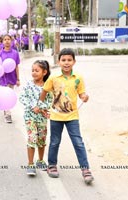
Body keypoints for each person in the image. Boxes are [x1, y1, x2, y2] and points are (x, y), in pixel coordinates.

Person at [37, 48, 94, 185]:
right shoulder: (53, 78)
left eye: (69, 60)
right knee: (55, 141)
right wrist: (41, 105)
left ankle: (85, 170)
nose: (66, 63)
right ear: (59, 61)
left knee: (78, 143)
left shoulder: (78, 78)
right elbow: (44, 91)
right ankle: (52, 165)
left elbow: (81, 93)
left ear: (74, 61)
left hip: (72, 116)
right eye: (63, 60)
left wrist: (84, 97)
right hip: (56, 117)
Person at [19, 60, 52, 176]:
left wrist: (41, 107)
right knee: (32, 138)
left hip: (42, 118)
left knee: (42, 140)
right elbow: (22, 98)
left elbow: (50, 101)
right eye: (32, 70)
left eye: (37, 70)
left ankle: (41, 160)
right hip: (30, 118)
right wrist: (33, 106)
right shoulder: (28, 85)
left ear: (44, 72)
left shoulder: (48, 86)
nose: (34, 72)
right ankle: (30, 164)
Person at [0, 34, 20, 123]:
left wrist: (18, 79)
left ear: (11, 41)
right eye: (5, 39)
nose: (7, 41)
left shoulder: (15, 53)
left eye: (8, 39)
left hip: (12, 77)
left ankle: (6, 110)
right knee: (6, 95)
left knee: (9, 96)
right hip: (3, 78)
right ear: (2, 42)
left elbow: (16, 66)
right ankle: (8, 114)